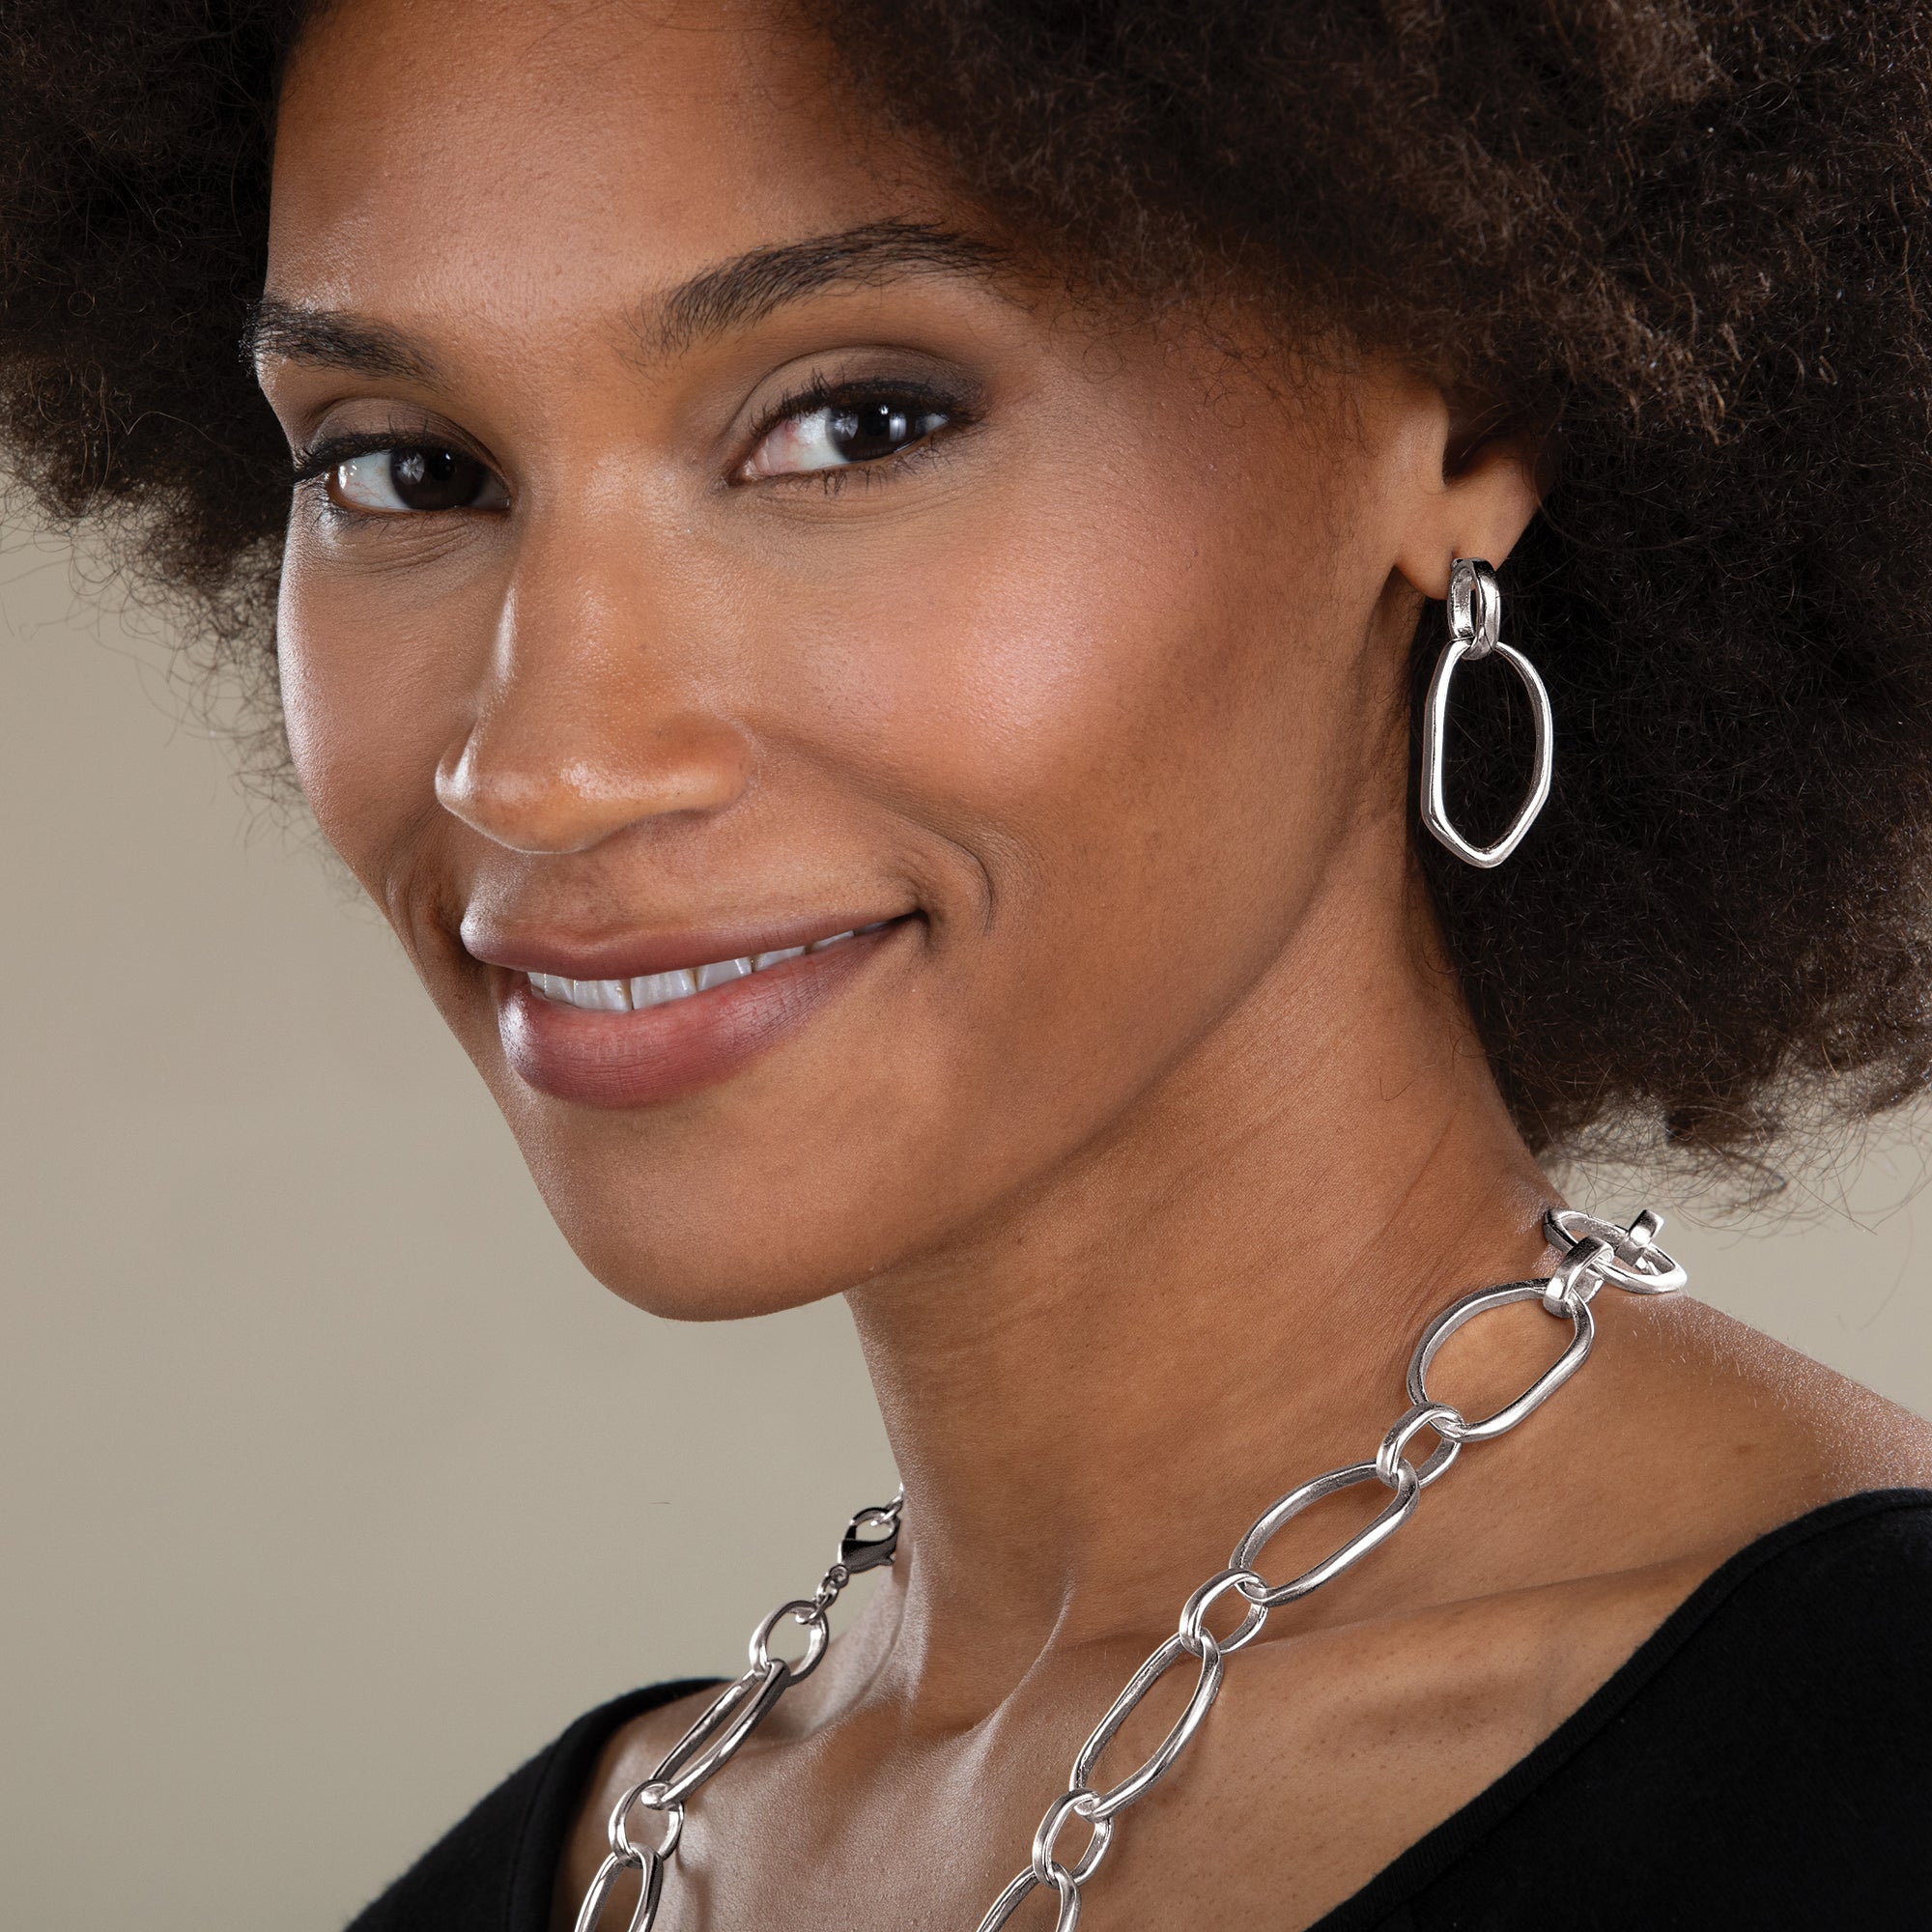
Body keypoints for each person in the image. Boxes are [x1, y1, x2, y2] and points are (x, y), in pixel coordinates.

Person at [4, 1, 1932, 1925]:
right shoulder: (587, 1872)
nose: (543, 767)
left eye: (854, 425)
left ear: (1459, 419)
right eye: (409, 471)